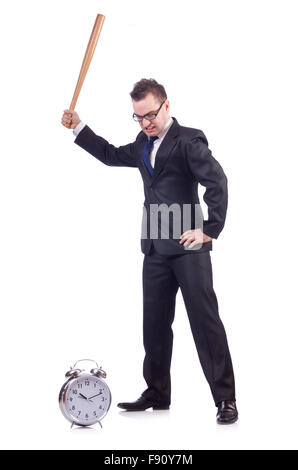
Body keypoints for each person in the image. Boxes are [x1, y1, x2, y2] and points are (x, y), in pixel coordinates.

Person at [61, 78, 238, 424]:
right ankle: (157, 391)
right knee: (154, 325)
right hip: (155, 246)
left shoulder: (189, 140)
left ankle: (225, 399)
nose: (145, 123)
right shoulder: (143, 143)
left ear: (167, 105)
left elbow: (217, 181)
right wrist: (78, 126)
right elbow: (111, 155)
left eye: (150, 115)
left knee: (205, 324)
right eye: (138, 117)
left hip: (190, 247)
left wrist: (210, 230)